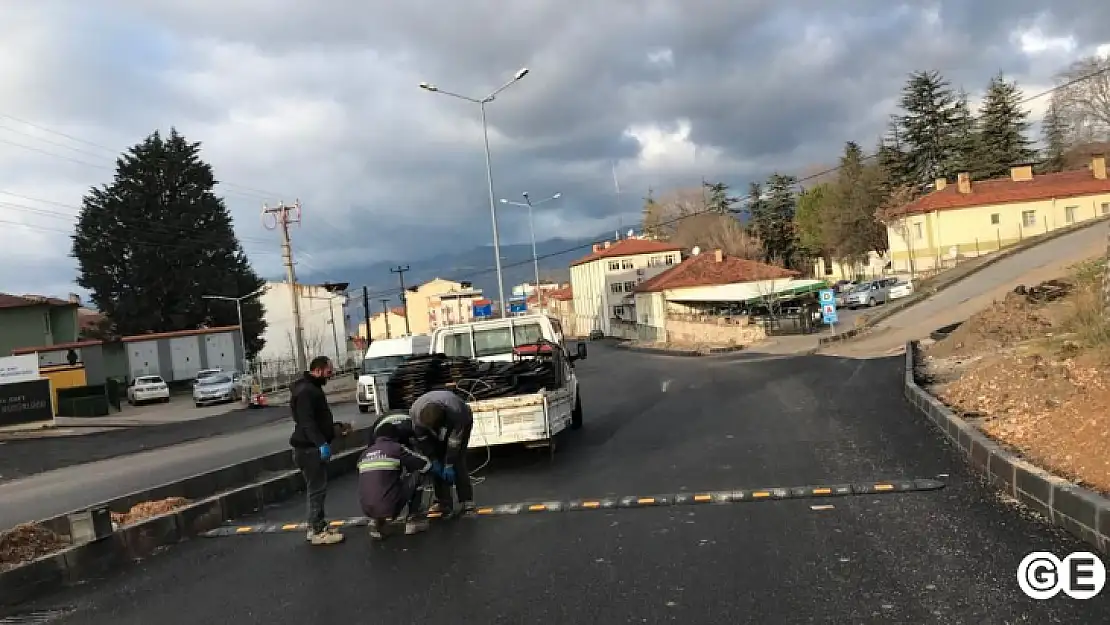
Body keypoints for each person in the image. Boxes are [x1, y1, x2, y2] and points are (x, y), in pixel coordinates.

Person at [289, 355, 350, 545]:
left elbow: (316, 421)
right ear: (318, 370)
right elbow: (308, 422)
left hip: (308, 447)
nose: (330, 376)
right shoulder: (308, 391)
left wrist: (336, 429)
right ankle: (317, 530)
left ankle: (318, 524)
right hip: (309, 449)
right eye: (328, 372)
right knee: (316, 490)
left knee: (317, 489)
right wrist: (320, 444)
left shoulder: (308, 388)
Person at [358, 420, 440, 539]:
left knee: (375, 481)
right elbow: (424, 464)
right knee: (418, 474)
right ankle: (414, 519)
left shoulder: (364, 454)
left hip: (366, 509)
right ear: (395, 436)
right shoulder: (395, 448)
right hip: (389, 505)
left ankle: (377, 522)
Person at [409, 389, 475, 516]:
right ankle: (443, 501)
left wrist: (449, 464)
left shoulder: (457, 412)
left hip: (462, 421)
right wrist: (433, 459)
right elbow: (423, 441)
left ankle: (466, 501)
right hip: (430, 425)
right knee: (437, 461)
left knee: (457, 460)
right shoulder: (416, 416)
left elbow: (454, 443)